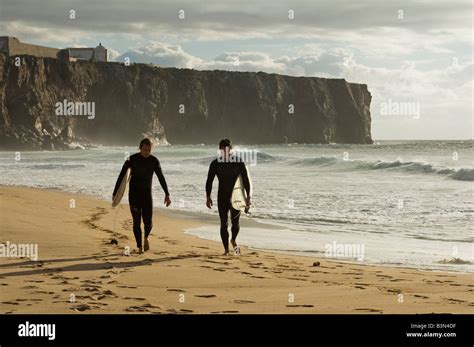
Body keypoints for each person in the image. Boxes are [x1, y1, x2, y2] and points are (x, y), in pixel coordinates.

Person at [113, 138, 171, 253]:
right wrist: (115, 193)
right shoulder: (131, 159)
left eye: (149, 150)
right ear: (140, 148)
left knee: (148, 222)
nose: (147, 153)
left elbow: (161, 177)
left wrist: (167, 194)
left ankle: (146, 238)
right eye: (145, 150)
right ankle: (139, 246)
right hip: (134, 195)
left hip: (146, 196)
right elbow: (121, 176)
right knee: (136, 222)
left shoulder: (154, 161)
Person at [206, 138, 251, 255]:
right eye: (223, 149)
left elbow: (246, 180)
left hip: (236, 196)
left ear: (231, 149)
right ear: (220, 150)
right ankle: (226, 250)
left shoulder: (238, 162)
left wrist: (248, 197)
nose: (226, 152)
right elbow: (209, 181)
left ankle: (233, 240)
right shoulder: (215, 164)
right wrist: (208, 197)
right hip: (222, 196)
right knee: (223, 223)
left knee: (235, 223)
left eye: (228, 149)